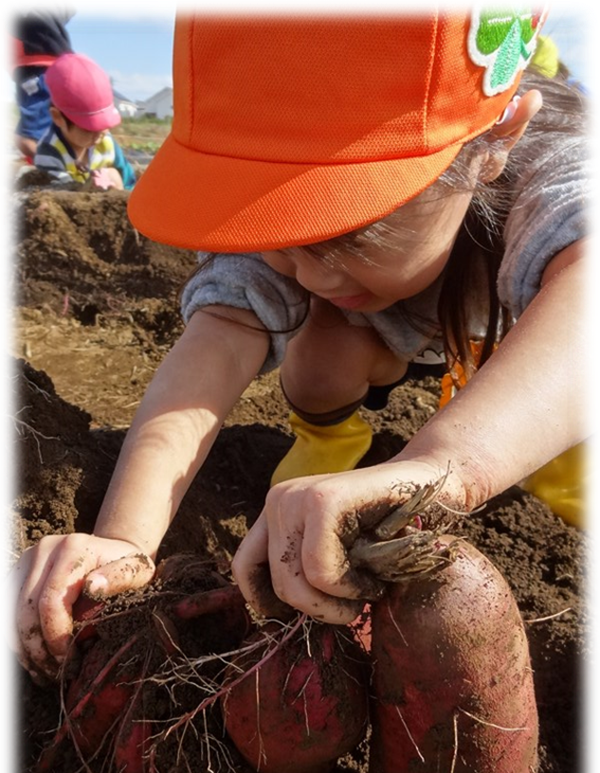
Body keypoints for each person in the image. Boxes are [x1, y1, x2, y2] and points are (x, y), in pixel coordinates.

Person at [2, 3, 596, 672]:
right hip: (392, 339)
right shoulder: (288, 186)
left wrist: (441, 464)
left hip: (533, 356)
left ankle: (571, 464)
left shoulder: (557, 165)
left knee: (563, 413)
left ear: (495, 139)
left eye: (350, 232)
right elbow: (222, 330)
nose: (308, 273)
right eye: (286, 238)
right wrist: (121, 541)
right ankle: (327, 446)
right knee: (321, 357)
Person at [32, 52, 136, 190]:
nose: (99, 135)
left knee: (113, 174)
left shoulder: (107, 143)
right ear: (58, 118)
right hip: (75, 205)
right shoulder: (50, 153)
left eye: (104, 126)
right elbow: (57, 200)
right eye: (88, 129)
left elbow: (130, 182)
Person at [2, 0, 76, 161]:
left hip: (37, 67)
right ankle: (50, 166)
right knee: (45, 131)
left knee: (27, 139)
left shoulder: (28, 8)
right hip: (38, 67)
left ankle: (59, 169)